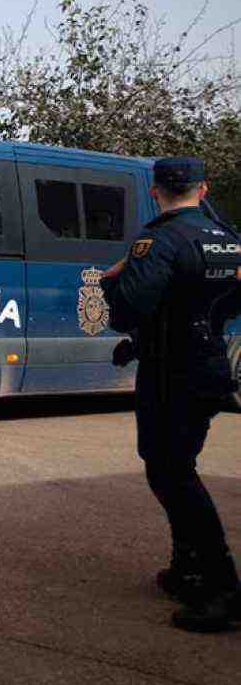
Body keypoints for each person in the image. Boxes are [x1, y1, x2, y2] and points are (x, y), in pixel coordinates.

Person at [99, 157, 241, 632]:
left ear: (156, 190)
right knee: (177, 466)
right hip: (208, 364)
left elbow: (126, 310)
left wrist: (109, 280)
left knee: (171, 473)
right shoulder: (228, 240)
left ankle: (222, 585)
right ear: (203, 190)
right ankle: (189, 569)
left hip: (173, 371)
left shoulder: (157, 241)